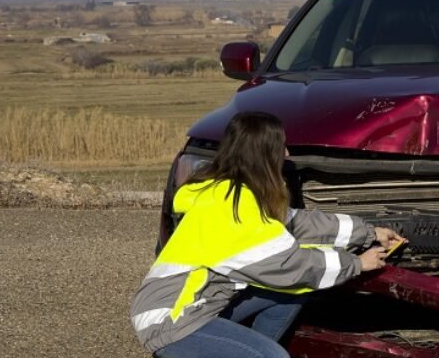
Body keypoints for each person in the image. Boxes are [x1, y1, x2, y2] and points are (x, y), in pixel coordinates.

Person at [129, 111, 405, 358]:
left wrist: (368, 233)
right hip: (174, 320)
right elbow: (290, 266)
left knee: (293, 293)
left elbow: (299, 223)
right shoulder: (233, 211)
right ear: (264, 153)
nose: (285, 154)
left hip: (199, 304)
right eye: (280, 146)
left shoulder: (234, 193)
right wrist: (357, 264)